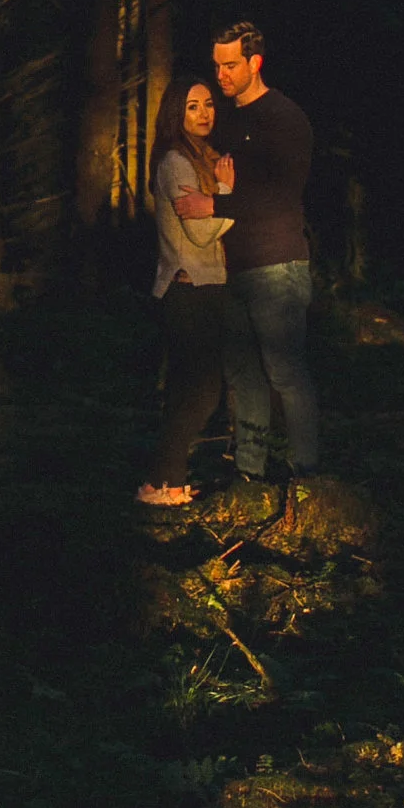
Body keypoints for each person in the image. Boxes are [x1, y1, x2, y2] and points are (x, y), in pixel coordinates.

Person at [209, 17, 320, 488]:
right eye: (217, 66)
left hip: (276, 264)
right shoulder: (230, 120)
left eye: (230, 65)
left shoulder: (284, 118)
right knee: (243, 374)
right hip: (234, 265)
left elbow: (278, 195)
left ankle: (308, 473)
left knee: (284, 372)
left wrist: (216, 200)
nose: (222, 75)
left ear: (255, 62)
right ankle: (248, 472)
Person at [136, 74, 235, 508]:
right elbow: (198, 235)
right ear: (177, 112)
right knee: (201, 391)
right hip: (189, 288)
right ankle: (163, 483)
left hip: (201, 287)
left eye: (208, 104)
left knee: (188, 390)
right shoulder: (176, 162)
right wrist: (230, 195)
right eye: (193, 106)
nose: (203, 114)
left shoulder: (200, 159)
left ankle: (164, 482)